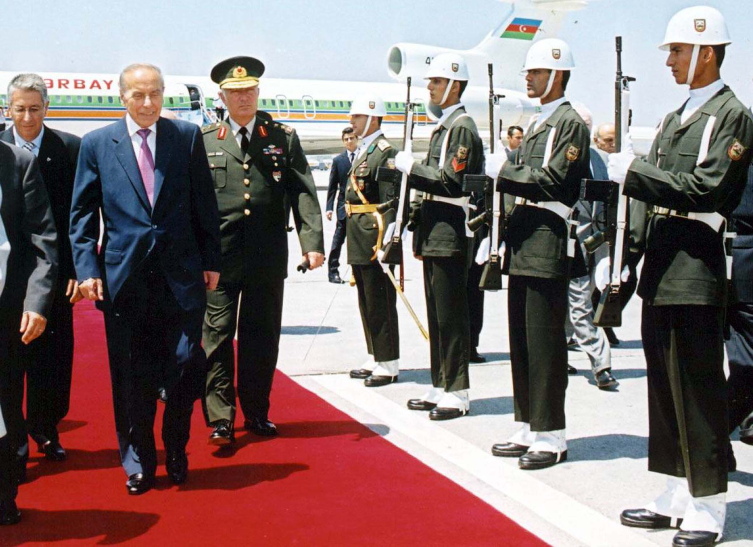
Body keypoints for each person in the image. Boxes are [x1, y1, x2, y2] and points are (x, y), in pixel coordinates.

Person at [608, 7, 753, 546]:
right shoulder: (675, 118)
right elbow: (650, 197)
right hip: (663, 264)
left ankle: (709, 504)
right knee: (664, 389)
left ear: (706, 52)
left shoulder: (731, 115)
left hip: (696, 264)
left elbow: (707, 189)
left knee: (697, 388)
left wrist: (636, 172)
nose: (669, 61)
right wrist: (624, 257)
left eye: (676, 51)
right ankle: (674, 491)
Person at [70, 63, 221, 495]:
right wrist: (87, 270)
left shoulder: (185, 137)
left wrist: (211, 259)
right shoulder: (97, 144)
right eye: (138, 95)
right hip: (126, 280)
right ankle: (138, 461)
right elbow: (82, 216)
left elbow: (204, 204)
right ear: (122, 97)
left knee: (184, 367)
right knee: (131, 378)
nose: (148, 102)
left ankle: (176, 447)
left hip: (181, 276)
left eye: (155, 93)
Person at [201, 56, 324, 445]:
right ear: (222, 97)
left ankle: (256, 412)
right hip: (219, 258)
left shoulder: (282, 137)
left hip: (266, 256)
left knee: (261, 337)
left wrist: (312, 243)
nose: (243, 98)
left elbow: (302, 191)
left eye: (249, 91)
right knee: (217, 337)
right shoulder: (205, 139)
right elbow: (193, 201)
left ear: (258, 93)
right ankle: (221, 418)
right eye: (235, 92)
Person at [485, 38, 590, 470]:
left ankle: (552, 434)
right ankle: (528, 423)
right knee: (522, 339)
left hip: (547, 237)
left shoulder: (569, 123)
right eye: (527, 72)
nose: (527, 78)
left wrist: (506, 169)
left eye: (536, 72)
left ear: (557, 75)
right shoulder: (538, 121)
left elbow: (556, 181)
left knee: (545, 342)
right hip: (524, 237)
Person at [394, 53, 483, 420]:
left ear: (454, 86)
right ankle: (441, 382)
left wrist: (412, 167)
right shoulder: (444, 127)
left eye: (436, 81)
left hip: (450, 230)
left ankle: (458, 391)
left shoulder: (461, 128)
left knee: (451, 316)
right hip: (435, 231)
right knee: (437, 315)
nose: (429, 86)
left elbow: (451, 181)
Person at [0, 73, 81, 470]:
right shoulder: (3, 150)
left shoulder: (69, 148)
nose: (28, 117)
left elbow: (81, 216)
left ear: (47, 108)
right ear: (8, 109)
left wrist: (78, 270)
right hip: (8, 274)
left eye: (35, 109)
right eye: (20, 109)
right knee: (10, 364)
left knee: (53, 358)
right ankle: (14, 442)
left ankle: (46, 428)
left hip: (55, 270)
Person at [0, 140, 58, 523]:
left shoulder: (18, 163)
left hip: (5, 309)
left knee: (5, 405)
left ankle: (4, 495)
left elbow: (43, 240)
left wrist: (36, 304)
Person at [343, 96, 400, 386]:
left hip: (374, 233)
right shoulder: (364, 150)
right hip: (358, 232)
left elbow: (391, 201)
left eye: (358, 116)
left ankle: (388, 362)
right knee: (366, 298)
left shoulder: (385, 152)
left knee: (380, 300)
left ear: (374, 119)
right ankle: (375, 353)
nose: (351, 121)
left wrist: (387, 241)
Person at [565, 103, 616, 389]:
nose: (582, 129)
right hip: (567, 240)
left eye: (586, 125)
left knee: (578, 302)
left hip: (594, 243)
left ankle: (563, 352)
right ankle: (598, 362)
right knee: (575, 304)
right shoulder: (563, 155)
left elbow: (608, 202)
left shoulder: (599, 159)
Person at [326, 127, 358, 284]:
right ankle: (333, 272)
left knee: (358, 243)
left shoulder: (363, 157)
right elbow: (332, 187)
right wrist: (329, 208)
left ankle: (357, 272)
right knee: (338, 241)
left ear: (357, 139)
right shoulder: (338, 160)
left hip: (360, 209)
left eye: (352, 138)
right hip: (343, 208)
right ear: (343, 142)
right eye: (346, 139)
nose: (349, 141)